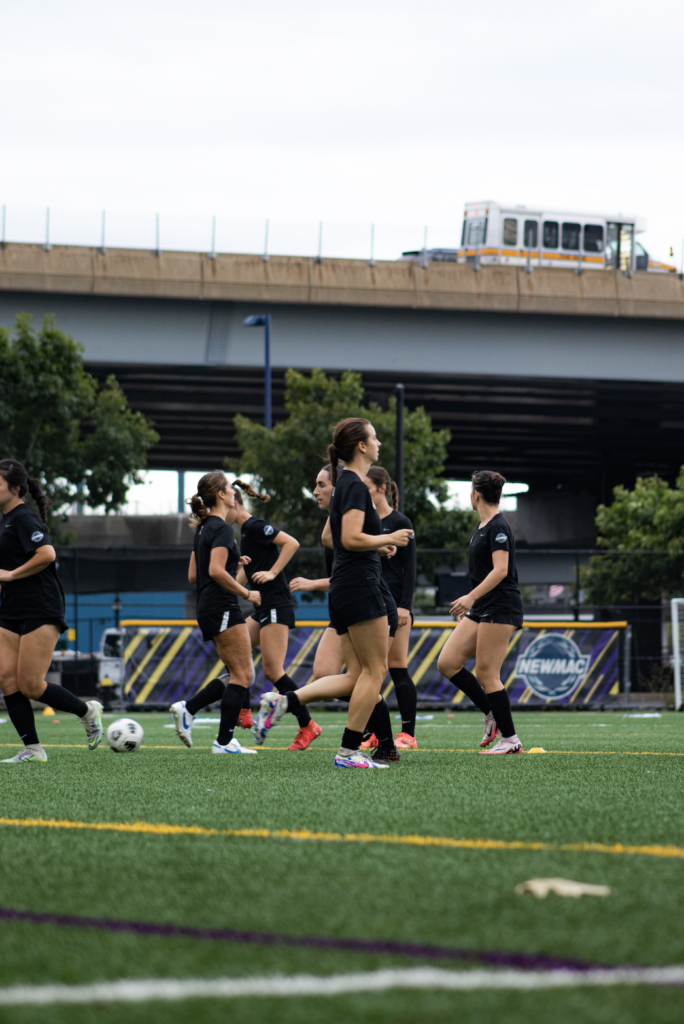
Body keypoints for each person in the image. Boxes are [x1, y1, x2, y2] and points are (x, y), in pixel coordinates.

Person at [253, 418, 413, 768]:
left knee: (356, 676)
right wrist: (389, 538)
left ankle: (285, 701)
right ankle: (348, 752)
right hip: (361, 587)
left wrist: (374, 547)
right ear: (360, 446)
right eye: (374, 437)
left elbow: (332, 539)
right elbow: (350, 538)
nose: (379, 443)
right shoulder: (354, 485)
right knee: (375, 672)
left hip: (344, 587)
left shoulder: (347, 486)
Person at [0, 459, 103, 763]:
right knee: (7, 679)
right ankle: (33, 749)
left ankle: (87, 711)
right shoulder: (5, 520)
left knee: (31, 684)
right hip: (11, 609)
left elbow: (47, 553)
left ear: (14, 488)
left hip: (40, 605)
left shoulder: (23, 517)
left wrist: (10, 575)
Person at [170, 472, 261, 754]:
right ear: (221, 495)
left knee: (243, 673)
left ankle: (190, 708)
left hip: (209, 607)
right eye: (230, 490)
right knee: (243, 674)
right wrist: (247, 593)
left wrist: (234, 559)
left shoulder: (203, 527)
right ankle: (222, 742)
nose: (235, 494)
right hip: (222, 605)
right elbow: (213, 572)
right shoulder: (221, 528)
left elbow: (194, 575)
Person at [436, 470, 523, 754]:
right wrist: (474, 603)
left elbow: (500, 570)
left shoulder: (498, 526)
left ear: (476, 494)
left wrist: (471, 598)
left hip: (501, 605)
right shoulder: (483, 525)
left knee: (487, 672)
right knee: (447, 663)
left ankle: (510, 740)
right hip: (483, 605)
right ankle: (491, 713)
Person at [232, 480, 322, 752]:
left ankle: (308, 726)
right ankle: (245, 710)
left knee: (273, 670)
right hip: (263, 606)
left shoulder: (255, 526)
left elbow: (291, 543)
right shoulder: (244, 536)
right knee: (236, 649)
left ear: (233, 503)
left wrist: (271, 572)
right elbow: (242, 578)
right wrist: (230, 577)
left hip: (276, 603)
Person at [363, 466, 418, 750]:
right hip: (373, 603)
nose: (363, 491)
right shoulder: (366, 520)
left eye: (368, 486)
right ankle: (375, 731)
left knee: (395, 667)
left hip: (395, 605)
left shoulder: (399, 520)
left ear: (382, 488)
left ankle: (408, 734)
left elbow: (410, 568)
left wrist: (405, 606)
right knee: (375, 669)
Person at [289, 465, 342, 680]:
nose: (315, 491)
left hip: (363, 614)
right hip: (341, 613)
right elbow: (326, 539)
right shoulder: (336, 523)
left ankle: (290, 701)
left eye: (321, 485)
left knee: (368, 676)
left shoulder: (354, 526)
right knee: (324, 675)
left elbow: (350, 577)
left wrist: (311, 584)